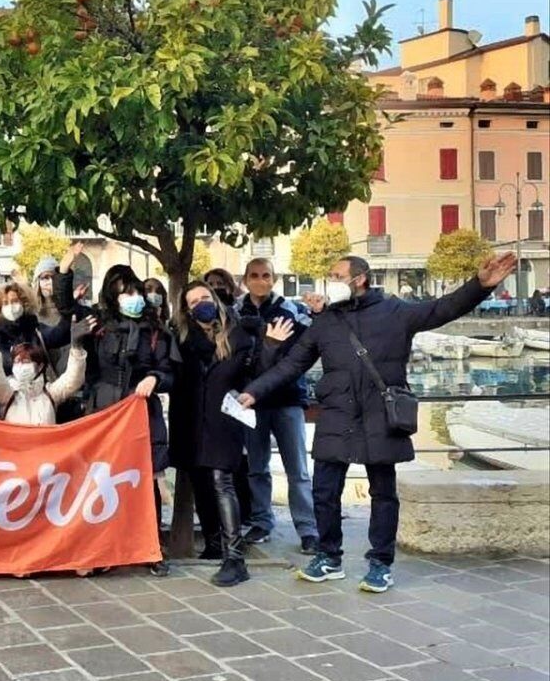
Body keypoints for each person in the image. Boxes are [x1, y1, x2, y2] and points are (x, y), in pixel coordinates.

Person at [239, 252, 517, 593]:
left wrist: (480, 286)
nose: (331, 281)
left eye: (338, 275)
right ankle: (328, 558)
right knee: (324, 491)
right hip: (337, 415)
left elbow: (443, 308)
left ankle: (380, 563)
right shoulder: (326, 321)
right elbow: (291, 365)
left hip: (380, 416)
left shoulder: (395, 312)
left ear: (360, 279)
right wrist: (252, 392)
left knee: (383, 493)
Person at [56, 252, 173, 576]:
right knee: (101, 480)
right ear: (111, 295)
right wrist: (64, 271)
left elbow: (170, 370)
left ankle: (152, 548)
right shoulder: (100, 326)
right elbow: (67, 309)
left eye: (133, 290)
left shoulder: (154, 330)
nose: (131, 298)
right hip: (104, 411)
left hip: (141, 411)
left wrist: (155, 378)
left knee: (146, 479)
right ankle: (99, 548)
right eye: (123, 291)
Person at [170, 281, 293, 587]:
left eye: (204, 297)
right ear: (187, 309)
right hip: (190, 422)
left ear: (215, 300)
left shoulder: (238, 335)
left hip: (223, 421)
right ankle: (213, 544)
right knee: (200, 482)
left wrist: (272, 346)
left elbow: (256, 375)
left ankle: (234, 558)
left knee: (222, 482)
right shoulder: (182, 338)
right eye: (193, 300)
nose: (201, 303)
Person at [238, 258, 319, 554]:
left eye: (266, 275)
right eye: (255, 275)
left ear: (274, 279)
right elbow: (239, 357)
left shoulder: (292, 310)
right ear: (246, 280)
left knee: (297, 469)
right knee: (256, 467)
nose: (261, 280)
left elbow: (301, 354)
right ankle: (262, 521)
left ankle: (308, 528)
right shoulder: (236, 313)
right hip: (250, 403)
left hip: (287, 400)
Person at [0, 314, 91, 425]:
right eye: (17, 361)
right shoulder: (8, 394)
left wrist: (77, 348)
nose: (21, 365)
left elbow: (73, 380)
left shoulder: (50, 394)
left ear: (40, 366)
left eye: (26, 361)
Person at [0, 280, 72, 374]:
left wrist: (68, 305)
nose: (11, 307)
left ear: (24, 303)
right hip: (7, 387)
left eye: (15, 301)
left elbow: (62, 333)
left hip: (37, 385)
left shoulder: (36, 330)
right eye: (5, 303)